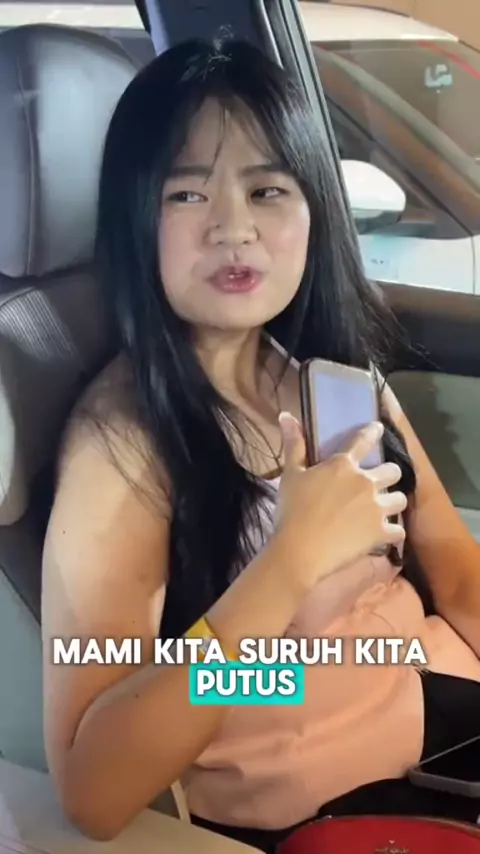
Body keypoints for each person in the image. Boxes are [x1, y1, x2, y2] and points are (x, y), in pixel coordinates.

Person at [41, 36, 480, 852]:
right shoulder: (125, 445)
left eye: (267, 189)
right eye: (185, 194)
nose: (233, 228)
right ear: (135, 220)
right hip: (343, 799)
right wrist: (288, 564)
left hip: (440, 713)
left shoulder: (328, 375)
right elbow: (93, 788)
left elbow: (453, 565)